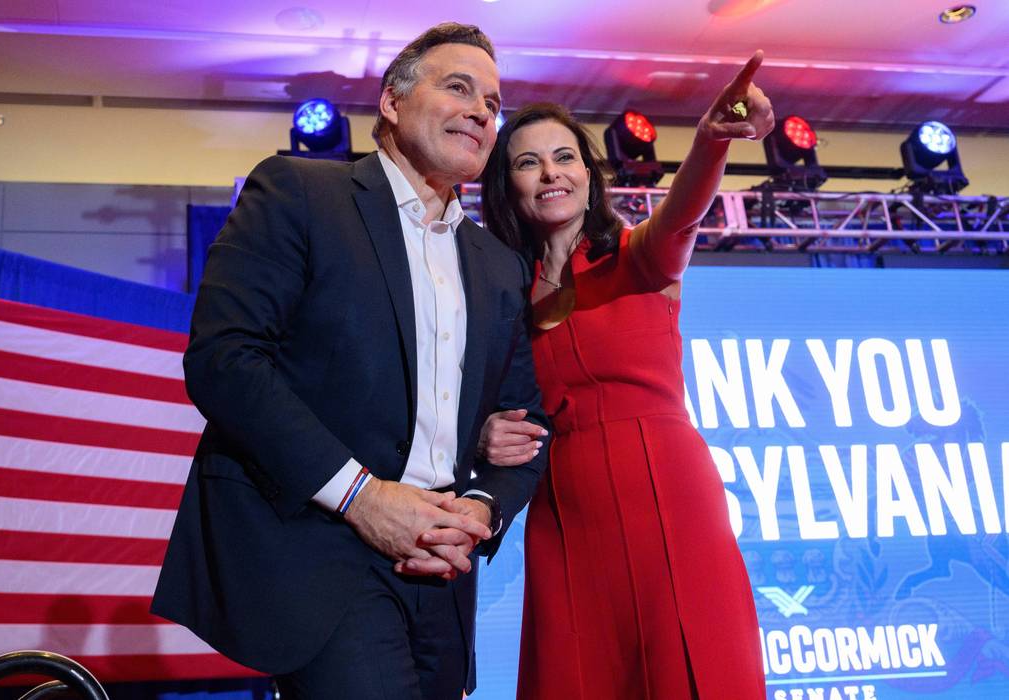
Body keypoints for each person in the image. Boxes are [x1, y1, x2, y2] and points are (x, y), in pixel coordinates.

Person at [150, 22, 550, 700]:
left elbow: (522, 429)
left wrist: (479, 511)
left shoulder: (499, 266)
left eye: (492, 101)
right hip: (325, 554)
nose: (483, 111)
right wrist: (362, 498)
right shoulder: (301, 193)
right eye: (458, 87)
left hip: (444, 573)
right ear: (391, 103)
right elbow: (225, 358)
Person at [477, 54, 774, 698]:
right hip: (565, 518)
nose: (550, 172)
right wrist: (485, 435)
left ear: (589, 173)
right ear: (509, 187)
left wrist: (712, 139)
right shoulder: (500, 295)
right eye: (528, 162)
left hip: (669, 499)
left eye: (564, 157)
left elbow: (685, 212)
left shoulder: (642, 255)